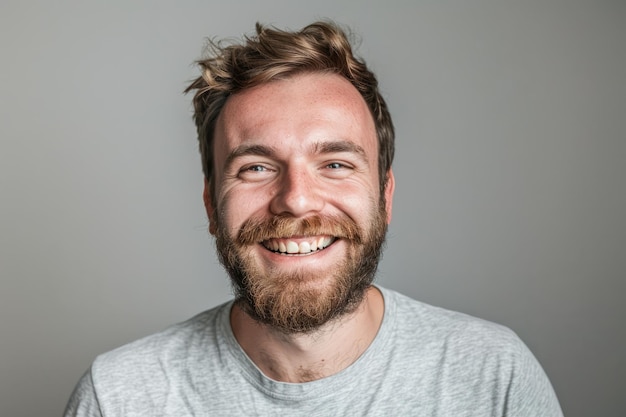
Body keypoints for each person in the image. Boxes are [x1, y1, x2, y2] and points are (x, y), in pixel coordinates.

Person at [65, 21, 563, 416]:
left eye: (336, 165)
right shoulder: (120, 397)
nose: (297, 201)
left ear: (385, 198)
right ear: (211, 206)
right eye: (256, 167)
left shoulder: (494, 376)